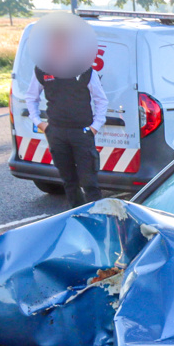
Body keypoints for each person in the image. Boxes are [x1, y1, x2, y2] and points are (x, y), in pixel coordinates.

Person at [17, 13, 108, 207]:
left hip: (82, 133)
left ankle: (98, 219)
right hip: (56, 132)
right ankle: (76, 216)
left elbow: (101, 100)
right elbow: (31, 97)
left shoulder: (83, 68)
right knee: (69, 182)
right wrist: (41, 124)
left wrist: (94, 128)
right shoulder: (43, 68)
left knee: (89, 183)